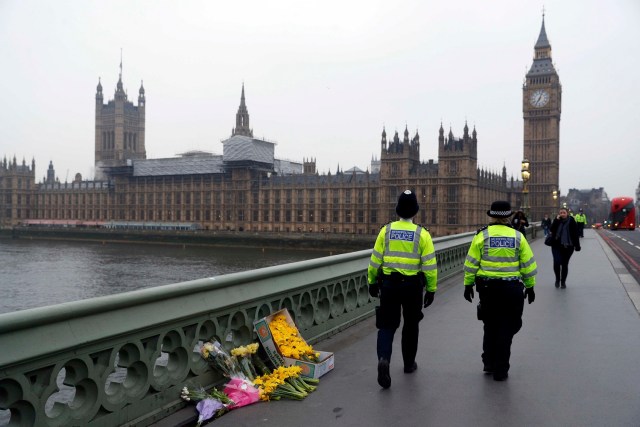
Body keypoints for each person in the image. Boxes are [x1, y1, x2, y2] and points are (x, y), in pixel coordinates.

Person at [367, 190, 438, 389]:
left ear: (397, 209)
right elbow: (430, 266)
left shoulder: (386, 231)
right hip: (413, 286)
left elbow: (374, 261)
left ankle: (384, 360)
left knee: (387, 325)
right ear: (415, 211)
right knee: (411, 325)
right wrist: (431, 289)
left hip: (389, 285)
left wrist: (372, 282)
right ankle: (408, 364)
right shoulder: (422, 234)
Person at [462, 201, 537, 381]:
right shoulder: (518, 236)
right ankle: (501, 368)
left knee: (490, 325)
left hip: (488, 289)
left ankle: (488, 361)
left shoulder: (482, 236)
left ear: (492, 216)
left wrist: (468, 285)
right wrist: (530, 286)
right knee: (508, 327)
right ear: (508, 216)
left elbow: (471, 264)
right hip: (512, 289)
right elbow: (527, 265)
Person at [549, 207, 581, 288]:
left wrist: (577, 246)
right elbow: (551, 229)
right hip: (556, 245)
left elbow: (575, 234)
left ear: (567, 213)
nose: (562, 214)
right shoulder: (557, 220)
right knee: (556, 263)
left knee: (564, 264)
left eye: (564, 212)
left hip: (568, 246)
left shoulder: (572, 221)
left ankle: (563, 282)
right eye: (561, 213)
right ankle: (557, 279)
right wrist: (556, 220)